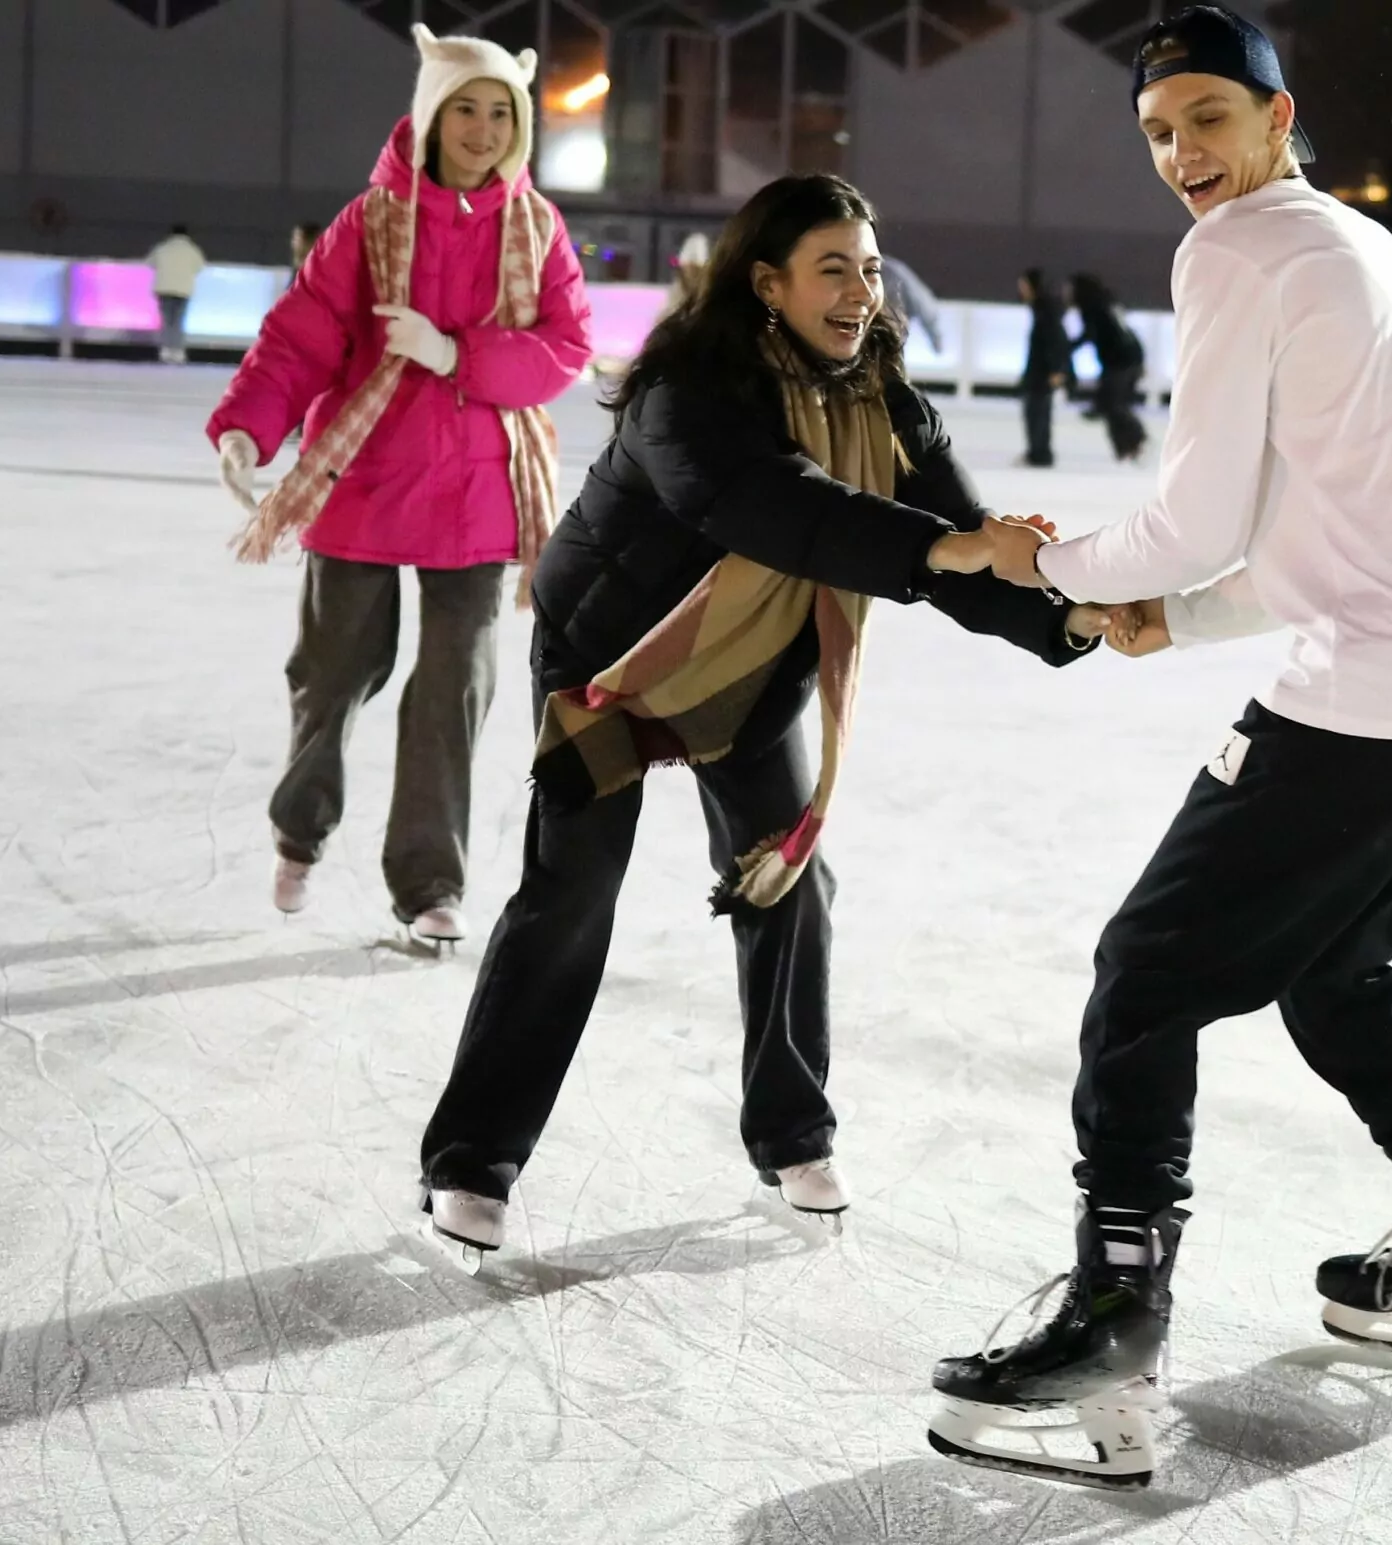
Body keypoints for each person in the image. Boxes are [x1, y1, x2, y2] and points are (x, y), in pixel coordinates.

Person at [927, 4, 1392, 1491]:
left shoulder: (1238, 252)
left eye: (1208, 117)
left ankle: (1109, 1330)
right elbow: (1326, 534)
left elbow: (1199, 518)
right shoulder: (1363, 251)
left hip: (1389, 699)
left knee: (1145, 978)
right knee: (1330, 965)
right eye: (1157, 131)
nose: (1180, 155)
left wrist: (1053, 564)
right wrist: (1187, 617)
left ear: (1282, 120)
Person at [413, 174, 1125, 1270]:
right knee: (573, 893)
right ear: (767, 283)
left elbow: (954, 539)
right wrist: (945, 547)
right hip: (611, 660)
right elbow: (771, 505)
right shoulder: (687, 391)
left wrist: (1069, 617)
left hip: (748, 672)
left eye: (872, 271)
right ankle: (472, 1156)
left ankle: (790, 1133)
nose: (859, 294)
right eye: (832, 270)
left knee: (787, 877)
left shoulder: (880, 394)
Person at [208, 24, 593, 946]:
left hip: (479, 498)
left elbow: (566, 350)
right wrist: (246, 425)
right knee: (333, 671)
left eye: (502, 111)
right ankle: (300, 830)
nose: (484, 127)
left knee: (452, 690)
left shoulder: (535, 228)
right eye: (466, 108)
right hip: (365, 480)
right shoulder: (372, 222)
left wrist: (461, 353)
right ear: (430, 116)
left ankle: (428, 883)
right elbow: (301, 333)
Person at [1070, 272, 1148, 462]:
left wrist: (1066, 348)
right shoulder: (1107, 302)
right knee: (1113, 404)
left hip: (1120, 360)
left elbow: (1090, 334)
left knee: (1113, 404)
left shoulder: (1092, 307)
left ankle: (1134, 438)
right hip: (1129, 357)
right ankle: (1127, 445)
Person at [1016, 267, 1068, 467]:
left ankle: (1040, 453)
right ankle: (1037, 452)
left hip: (1042, 371)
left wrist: (1057, 368)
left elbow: (1055, 340)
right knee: (1036, 410)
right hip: (1039, 369)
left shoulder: (1046, 312)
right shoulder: (1042, 310)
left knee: (1038, 411)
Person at [148, 222, 206, 364]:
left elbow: (150, 263)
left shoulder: (162, 248)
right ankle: (178, 351)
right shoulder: (193, 250)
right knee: (179, 321)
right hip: (183, 290)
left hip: (164, 288)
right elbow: (200, 267)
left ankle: (166, 351)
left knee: (167, 321)